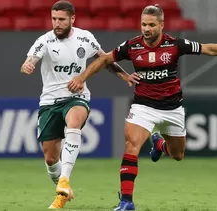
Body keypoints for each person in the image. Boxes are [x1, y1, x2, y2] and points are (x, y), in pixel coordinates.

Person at [67, 4, 217, 211]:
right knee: (131, 145)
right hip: (143, 106)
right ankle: (126, 201)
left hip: (172, 108)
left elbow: (208, 48)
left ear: (161, 25)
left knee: (177, 154)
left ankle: (159, 145)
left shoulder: (175, 45)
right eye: (143, 24)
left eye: (151, 25)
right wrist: (83, 77)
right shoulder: (132, 46)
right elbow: (105, 58)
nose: (146, 29)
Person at [20, 0, 136, 209]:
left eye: (61, 19)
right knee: (50, 158)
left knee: (73, 123)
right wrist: (28, 65)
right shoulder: (44, 40)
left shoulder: (85, 38)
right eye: (54, 19)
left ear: (72, 19)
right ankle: (63, 190)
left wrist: (125, 76)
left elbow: (104, 59)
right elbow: (30, 59)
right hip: (49, 102)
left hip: (76, 97)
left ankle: (65, 179)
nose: (57, 23)